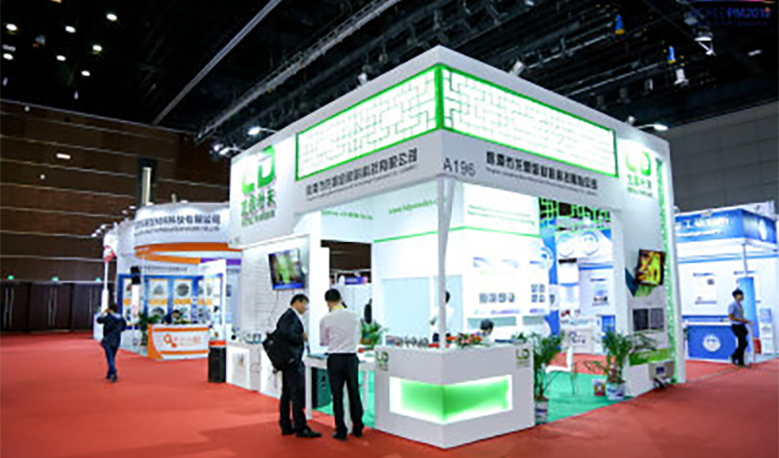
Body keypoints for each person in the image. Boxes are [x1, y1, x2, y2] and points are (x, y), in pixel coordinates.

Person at [320, 289, 364, 441]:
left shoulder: (326, 318)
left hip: (335, 359)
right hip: (351, 357)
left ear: (328, 303)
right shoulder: (354, 315)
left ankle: (341, 430)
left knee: (337, 395)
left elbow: (323, 341)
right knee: (354, 393)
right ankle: (358, 427)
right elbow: (358, 336)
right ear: (340, 298)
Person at [276, 294, 321, 438]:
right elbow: (286, 334)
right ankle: (301, 427)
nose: (305, 308)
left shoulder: (287, 316)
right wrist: (301, 337)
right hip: (292, 362)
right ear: (298, 302)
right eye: (305, 304)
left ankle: (286, 425)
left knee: (287, 394)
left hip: (288, 361)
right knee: (297, 395)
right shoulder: (290, 316)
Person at [97, 302, 126, 383]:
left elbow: (99, 320)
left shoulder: (108, 317)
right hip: (117, 340)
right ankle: (109, 373)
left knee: (110, 358)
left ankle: (114, 373)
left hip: (108, 340)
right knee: (112, 358)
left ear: (110, 309)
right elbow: (123, 328)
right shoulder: (121, 318)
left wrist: (103, 313)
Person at [728, 288, 750, 367]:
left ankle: (740, 360)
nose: (742, 296)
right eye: (740, 295)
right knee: (742, 343)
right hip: (736, 326)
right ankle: (735, 356)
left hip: (741, 325)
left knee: (744, 343)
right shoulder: (732, 305)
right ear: (736, 296)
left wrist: (744, 320)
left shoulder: (740, 305)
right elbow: (731, 317)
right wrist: (741, 320)